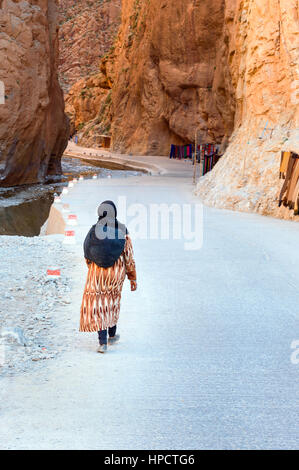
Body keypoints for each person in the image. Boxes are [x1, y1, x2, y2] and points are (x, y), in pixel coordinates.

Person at [80, 200, 137, 353]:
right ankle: (111, 335)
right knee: (112, 302)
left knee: (100, 305)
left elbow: (87, 253)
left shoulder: (93, 231)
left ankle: (102, 342)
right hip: (116, 275)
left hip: (97, 274)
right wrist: (132, 277)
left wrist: (93, 268)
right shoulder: (122, 231)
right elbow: (129, 257)